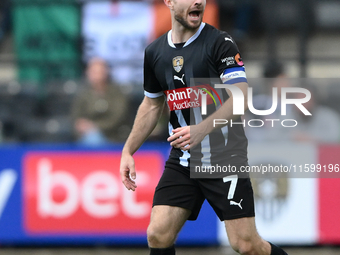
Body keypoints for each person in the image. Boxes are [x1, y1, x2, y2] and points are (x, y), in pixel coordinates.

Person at [120, 1, 287, 254]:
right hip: (183, 159)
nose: (198, 1)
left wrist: (201, 129)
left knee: (246, 244)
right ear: (169, 2)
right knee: (158, 233)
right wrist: (128, 151)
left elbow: (241, 97)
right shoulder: (154, 51)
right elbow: (152, 104)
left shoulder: (220, 43)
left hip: (224, 156)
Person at [72, 57, 129, 145]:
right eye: (93, 72)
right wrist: (81, 126)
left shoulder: (117, 93)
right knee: (90, 138)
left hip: (113, 135)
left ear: (106, 72)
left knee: (93, 139)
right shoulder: (83, 94)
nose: (96, 75)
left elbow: (118, 118)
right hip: (87, 135)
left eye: (99, 72)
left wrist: (94, 126)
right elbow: (76, 117)